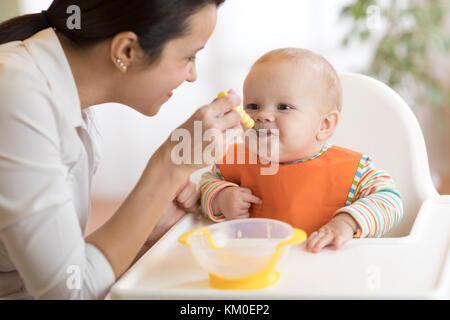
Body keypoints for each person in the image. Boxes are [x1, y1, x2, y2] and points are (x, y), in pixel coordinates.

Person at [0, 0, 244, 299]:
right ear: (126, 50)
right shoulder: (18, 96)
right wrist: (169, 167)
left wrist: (143, 230)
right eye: (189, 56)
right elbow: (69, 291)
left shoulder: (68, 99)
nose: (192, 74)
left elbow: (60, 268)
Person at [200, 48, 404, 253]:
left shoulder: (352, 171)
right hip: (256, 271)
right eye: (253, 106)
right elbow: (206, 183)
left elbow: (390, 200)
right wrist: (221, 198)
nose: (262, 115)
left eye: (284, 107)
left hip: (326, 274)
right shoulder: (238, 158)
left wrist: (347, 223)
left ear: (324, 124)